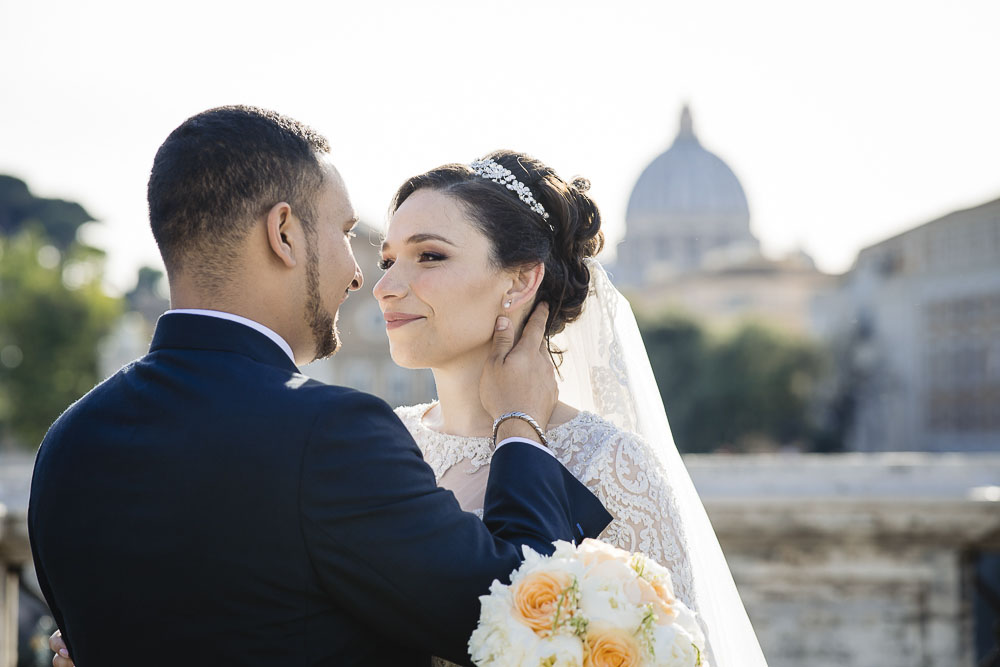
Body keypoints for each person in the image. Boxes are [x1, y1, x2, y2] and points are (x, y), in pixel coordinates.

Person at [29, 107, 612, 667]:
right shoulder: (330, 435)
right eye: (345, 234)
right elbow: (531, 618)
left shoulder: (70, 440)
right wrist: (518, 423)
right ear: (283, 233)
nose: (362, 276)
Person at [373, 151, 769, 667]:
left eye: (429, 256)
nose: (385, 288)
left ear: (519, 281)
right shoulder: (380, 442)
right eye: (386, 261)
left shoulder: (613, 467)